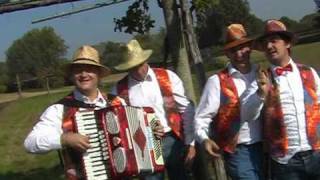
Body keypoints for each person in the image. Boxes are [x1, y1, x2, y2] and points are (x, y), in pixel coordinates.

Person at [24, 45, 164, 179]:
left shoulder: (117, 102)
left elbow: (138, 134)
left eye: (89, 69)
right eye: (78, 70)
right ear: (72, 75)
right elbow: (30, 143)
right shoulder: (59, 109)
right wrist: (64, 139)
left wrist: (153, 132)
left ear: (98, 74)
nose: (84, 74)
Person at [244, 19, 320, 180]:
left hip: (316, 153)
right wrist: (261, 93)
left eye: (274, 41)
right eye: (265, 43)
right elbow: (247, 115)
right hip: (285, 161)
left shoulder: (309, 72)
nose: (269, 46)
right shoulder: (261, 79)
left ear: (287, 44)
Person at [111, 39, 196, 180]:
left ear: (146, 60)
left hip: (173, 139)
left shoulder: (167, 77)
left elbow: (186, 110)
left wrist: (190, 143)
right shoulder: (119, 90)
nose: (138, 70)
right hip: (143, 147)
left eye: (140, 64)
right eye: (132, 67)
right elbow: (118, 125)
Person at [194, 24, 263, 180]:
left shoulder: (262, 73)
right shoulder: (216, 81)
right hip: (239, 150)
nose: (239, 53)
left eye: (243, 47)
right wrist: (204, 138)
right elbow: (202, 117)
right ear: (227, 53)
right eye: (233, 50)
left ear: (250, 47)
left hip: (268, 146)